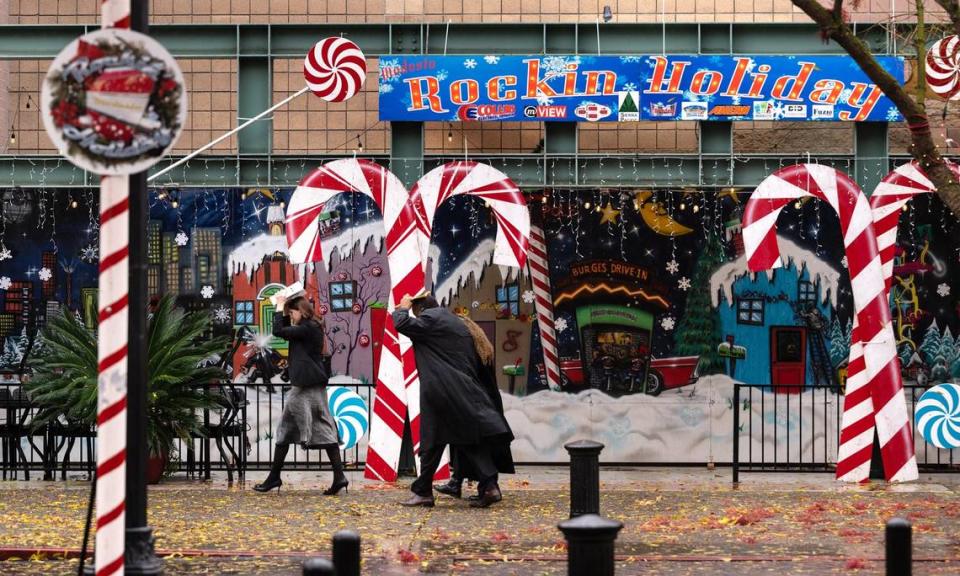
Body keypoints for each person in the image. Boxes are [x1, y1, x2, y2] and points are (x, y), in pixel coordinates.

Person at [394, 292, 514, 508]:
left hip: (443, 391)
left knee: (434, 441)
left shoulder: (431, 319)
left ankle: (427, 492)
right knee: (457, 440)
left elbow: (402, 324)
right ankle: (486, 487)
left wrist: (403, 307)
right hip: (458, 390)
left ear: (420, 309)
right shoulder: (455, 323)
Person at [253, 295, 348, 496]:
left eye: (292, 313)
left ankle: (275, 477)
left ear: (301, 311)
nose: (291, 317)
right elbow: (288, 336)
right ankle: (276, 477)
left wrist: (279, 307)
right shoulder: (309, 327)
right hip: (308, 385)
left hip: (307, 387)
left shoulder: (308, 328)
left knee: (317, 428)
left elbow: (279, 331)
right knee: (290, 429)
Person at [434, 313, 515, 501]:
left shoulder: (469, 351)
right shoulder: (482, 349)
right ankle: (460, 482)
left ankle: (486, 487)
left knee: (469, 441)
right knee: (468, 442)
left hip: (476, 402)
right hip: (487, 403)